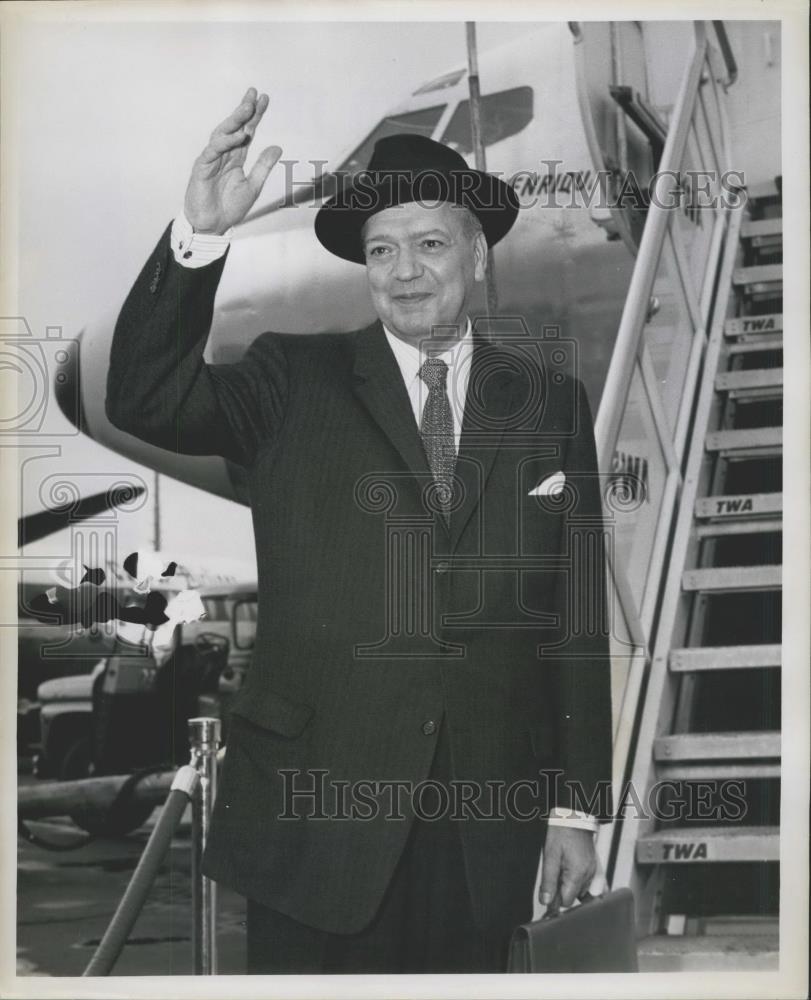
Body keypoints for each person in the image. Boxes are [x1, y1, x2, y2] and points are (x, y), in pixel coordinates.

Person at [106, 87, 614, 974]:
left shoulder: (547, 404)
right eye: (382, 251)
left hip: (481, 829)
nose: (403, 272)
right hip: (318, 822)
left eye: (427, 245)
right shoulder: (287, 379)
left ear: (476, 255)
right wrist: (200, 236)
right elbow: (142, 394)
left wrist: (574, 807)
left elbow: (569, 618)